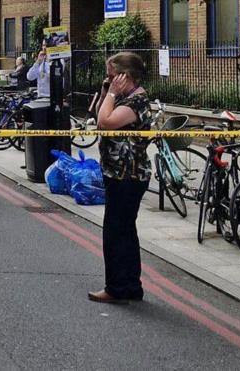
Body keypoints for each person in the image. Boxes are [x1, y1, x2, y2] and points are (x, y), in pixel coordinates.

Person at [89, 51, 154, 303]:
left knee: (115, 232)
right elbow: (97, 116)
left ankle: (116, 288)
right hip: (120, 173)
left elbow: (105, 123)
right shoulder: (125, 98)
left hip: (127, 175)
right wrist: (108, 91)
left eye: (112, 76)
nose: (108, 80)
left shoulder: (134, 102)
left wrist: (113, 94)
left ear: (125, 76)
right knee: (125, 231)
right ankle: (130, 286)